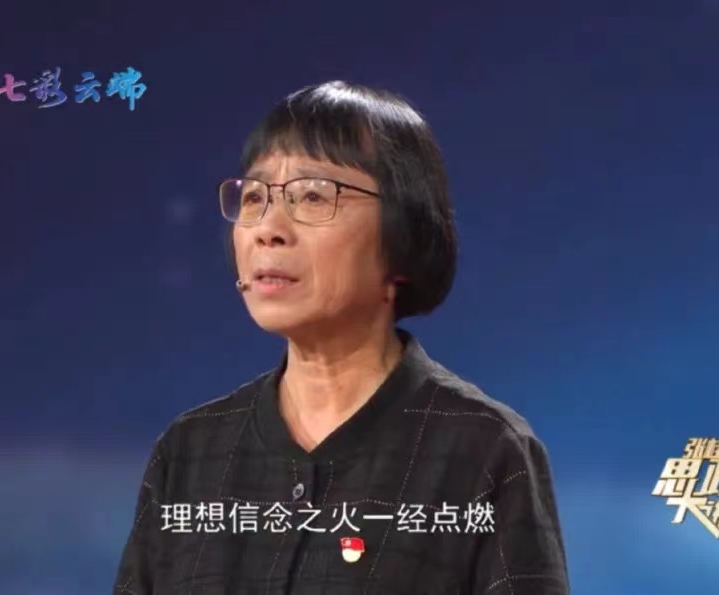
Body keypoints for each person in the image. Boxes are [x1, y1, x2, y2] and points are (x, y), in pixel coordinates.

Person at [114, 80, 570, 595]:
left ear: (404, 236)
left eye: (313, 195)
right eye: (256, 197)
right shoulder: (188, 452)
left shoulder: (484, 450)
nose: (267, 228)